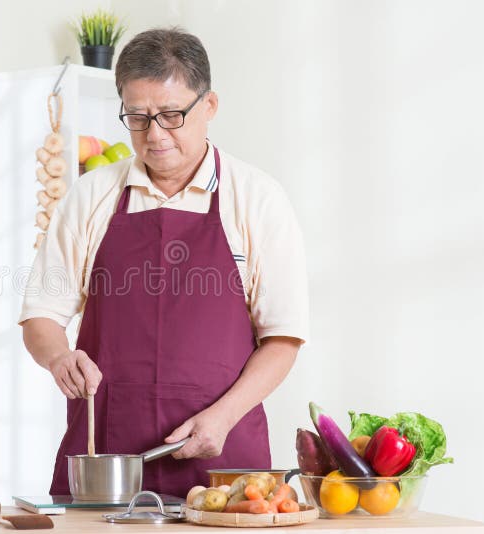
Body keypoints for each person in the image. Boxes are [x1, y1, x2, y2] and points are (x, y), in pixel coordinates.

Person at [20, 28, 309, 498]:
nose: (154, 135)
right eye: (137, 117)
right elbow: (40, 316)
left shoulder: (258, 199)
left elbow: (283, 339)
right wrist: (57, 357)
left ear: (209, 106)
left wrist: (224, 415)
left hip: (224, 466)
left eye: (171, 116)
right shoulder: (91, 196)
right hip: (107, 464)